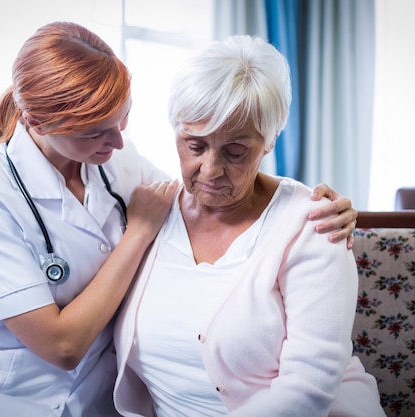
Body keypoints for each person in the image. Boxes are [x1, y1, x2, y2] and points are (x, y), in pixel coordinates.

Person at [0, 23, 358, 417]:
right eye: (95, 132)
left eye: (123, 122)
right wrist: (137, 233)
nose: (118, 143)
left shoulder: (117, 159)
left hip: (92, 397)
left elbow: (217, 187)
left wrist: (313, 204)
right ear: (37, 122)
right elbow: (62, 346)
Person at [113, 35, 385, 417]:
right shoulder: (149, 204)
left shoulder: (315, 225)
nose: (210, 170)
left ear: (270, 141)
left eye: (235, 151)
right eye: (194, 145)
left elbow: (307, 389)